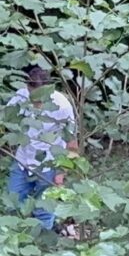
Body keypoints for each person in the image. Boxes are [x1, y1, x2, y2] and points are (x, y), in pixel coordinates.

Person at [5, 66, 77, 230]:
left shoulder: (62, 106)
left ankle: (43, 240)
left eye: (40, 98)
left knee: (44, 210)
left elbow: (72, 144)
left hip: (49, 163)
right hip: (22, 159)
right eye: (33, 97)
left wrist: (61, 173)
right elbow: (6, 118)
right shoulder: (21, 96)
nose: (36, 102)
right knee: (12, 203)